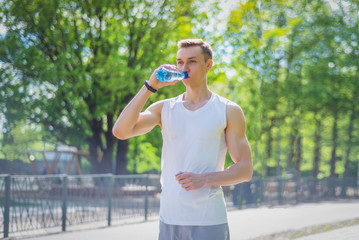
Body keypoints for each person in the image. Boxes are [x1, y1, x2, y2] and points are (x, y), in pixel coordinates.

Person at [113, 39, 253, 240]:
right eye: (180, 62)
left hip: (208, 220)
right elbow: (121, 131)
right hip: (169, 218)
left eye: (192, 61)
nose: (184, 68)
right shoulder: (164, 108)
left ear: (208, 65)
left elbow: (245, 169)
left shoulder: (228, 110)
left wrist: (204, 179)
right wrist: (150, 86)